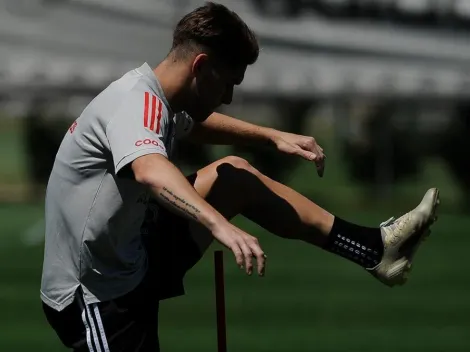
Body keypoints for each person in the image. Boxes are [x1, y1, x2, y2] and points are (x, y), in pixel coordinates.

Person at [40, 2, 440, 351]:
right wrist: (219, 226)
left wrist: (271, 137)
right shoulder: (137, 103)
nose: (228, 98)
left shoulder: (161, 102)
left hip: (131, 255)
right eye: (228, 83)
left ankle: (373, 248)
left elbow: (192, 126)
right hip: (92, 294)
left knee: (233, 177)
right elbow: (149, 170)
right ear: (201, 66)